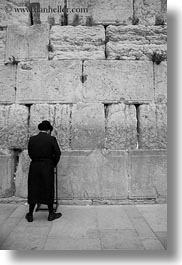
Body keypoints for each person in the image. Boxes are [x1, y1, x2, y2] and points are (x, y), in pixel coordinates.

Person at [25, 120, 62, 222]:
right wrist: (53, 163)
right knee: (48, 187)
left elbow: (30, 152)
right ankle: (51, 214)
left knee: (33, 188)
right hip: (47, 166)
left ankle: (30, 214)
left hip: (35, 166)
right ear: (49, 129)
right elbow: (58, 153)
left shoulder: (32, 139)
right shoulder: (51, 139)